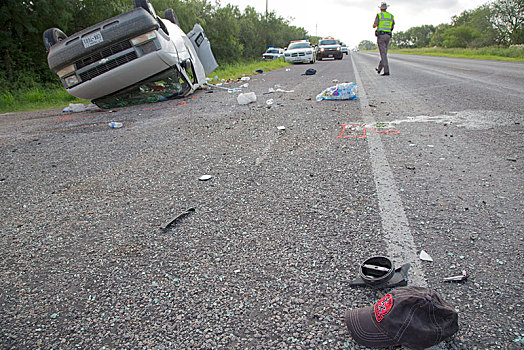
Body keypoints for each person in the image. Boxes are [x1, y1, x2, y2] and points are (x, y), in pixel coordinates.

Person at [373, 2, 395, 76]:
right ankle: (379, 69)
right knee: (384, 53)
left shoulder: (379, 15)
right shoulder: (391, 16)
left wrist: (375, 25)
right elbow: (392, 26)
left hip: (381, 36)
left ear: (380, 9)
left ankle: (386, 71)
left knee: (383, 54)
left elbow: (374, 25)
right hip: (388, 35)